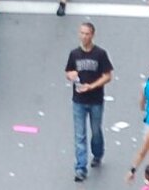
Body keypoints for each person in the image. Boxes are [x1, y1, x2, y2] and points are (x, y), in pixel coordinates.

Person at [65, 21, 113, 183]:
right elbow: (68, 71)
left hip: (95, 100)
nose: (84, 36)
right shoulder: (74, 54)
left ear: (92, 35)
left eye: (87, 34)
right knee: (80, 135)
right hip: (78, 100)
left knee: (96, 131)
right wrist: (70, 75)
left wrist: (91, 86)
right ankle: (80, 167)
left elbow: (108, 75)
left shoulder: (100, 54)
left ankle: (98, 153)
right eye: (82, 33)